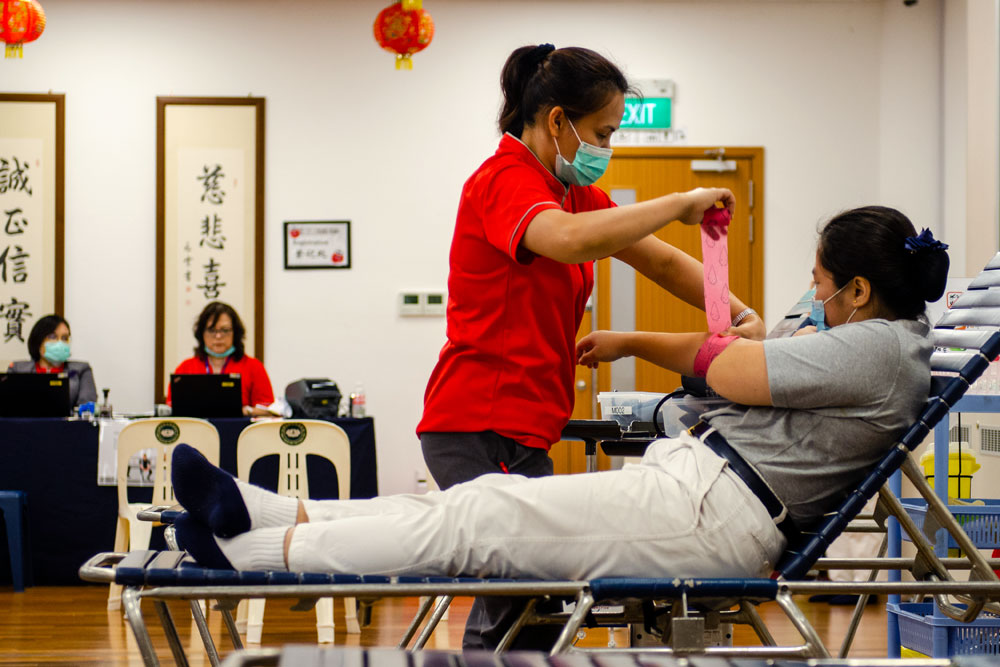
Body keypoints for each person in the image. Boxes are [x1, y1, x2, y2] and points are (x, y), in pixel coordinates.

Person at [169, 206, 949, 619]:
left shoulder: (881, 346)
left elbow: (732, 366)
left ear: (858, 289)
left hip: (719, 513)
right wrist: (746, 338)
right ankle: (265, 509)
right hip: (701, 484)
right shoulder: (874, 336)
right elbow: (743, 353)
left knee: (472, 522)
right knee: (464, 506)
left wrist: (635, 339)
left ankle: (251, 554)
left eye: (819, 283)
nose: (810, 297)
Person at [415, 44, 763, 649]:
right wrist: (677, 202)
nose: (609, 147)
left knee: (529, 600)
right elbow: (569, 242)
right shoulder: (504, 180)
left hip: (526, 422)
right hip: (475, 421)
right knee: (524, 589)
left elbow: (657, 260)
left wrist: (739, 312)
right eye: (603, 132)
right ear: (557, 120)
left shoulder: (567, 188)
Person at [168, 301, 274, 417]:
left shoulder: (253, 366)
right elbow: (171, 409)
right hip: (196, 433)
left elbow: (270, 411)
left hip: (240, 432)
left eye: (225, 330)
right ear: (201, 334)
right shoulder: (185, 368)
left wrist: (245, 411)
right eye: (212, 330)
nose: (218, 336)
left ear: (235, 333)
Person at [8, 314, 98, 408]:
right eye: (52, 337)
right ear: (38, 341)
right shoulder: (17, 369)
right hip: (25, 423)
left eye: (64, 338)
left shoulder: (81, 370)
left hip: (67, 422)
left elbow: (87, 408)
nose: (60, 343)